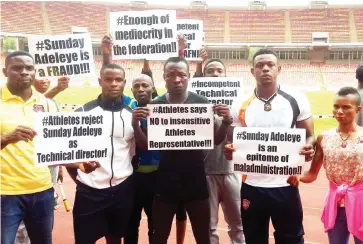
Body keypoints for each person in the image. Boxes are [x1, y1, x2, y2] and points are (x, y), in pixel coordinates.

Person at [133, 56, 232, 244]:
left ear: (188, 77)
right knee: (159, 236)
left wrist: (226, 121)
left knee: (202, 236)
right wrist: (136, 125)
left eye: (181, 75)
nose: (177, 79)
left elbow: (216, 140)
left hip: (195, 178)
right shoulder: (156, 106)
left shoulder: (201, 103)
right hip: (165, 180)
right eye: (171, 75)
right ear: (164, 77)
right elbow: (145, 145)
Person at [102, 34, 189, 244]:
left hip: (159, 177)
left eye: (146, 86)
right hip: (133, 177)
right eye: (137, 86)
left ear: (153, 89)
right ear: (130, 90)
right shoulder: (127, 106)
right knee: (130, 224)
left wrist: (180, 51)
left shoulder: (162, 108)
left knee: (156, 226)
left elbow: (180, 78)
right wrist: (106, 55)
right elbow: (107, 85)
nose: (141, 89)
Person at [224, 48, 315, 244]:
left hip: (286, 183)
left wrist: (308, 148)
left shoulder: (296, 99)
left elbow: (309, 135)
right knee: (255, 239)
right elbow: (233, 141)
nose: (265, 69)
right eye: (259, 65)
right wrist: (230, 149)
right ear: (252, 71)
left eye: (270, 65)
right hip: (252, 185)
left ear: (278, 69)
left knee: (291, 238)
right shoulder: (240, 102)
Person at [65, 63, 143, 244]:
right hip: (89, 191)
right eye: (108, 79)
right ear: (100, 81)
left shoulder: (131, 115)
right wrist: (79, 178)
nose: (113, 84)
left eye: (118, 80)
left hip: (122, 189)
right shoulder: (82, 113)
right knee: (84, 239)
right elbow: (67, 152)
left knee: (115, 238)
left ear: (124, 83)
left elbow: (132, 152)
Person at [288, 87, 363, 244]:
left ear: (358, 109)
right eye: (336, 106)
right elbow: (312, 174)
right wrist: (298, 178)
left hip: (360, 202)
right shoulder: (324, 138)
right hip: (335, 203)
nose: (339, 111)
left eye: (346, 107)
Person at [1, 50, 58, 244]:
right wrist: (7, 138)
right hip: (6, 193)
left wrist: (78, 163)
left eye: (29, 68)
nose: (24, 72)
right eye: (17, 68)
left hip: (42, 190)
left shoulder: (47, 104)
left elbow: (56, 146)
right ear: (5, 71)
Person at [193, 48, 245, 244]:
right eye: (210, 71)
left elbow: (241, 137)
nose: (215, 74)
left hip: (232, 171)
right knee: (209, 227)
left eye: (219, 71)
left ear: (226, 75)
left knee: (239, 224)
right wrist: (198, 63)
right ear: (203, 77)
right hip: (206, 173)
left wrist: (228, 119)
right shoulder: (195, 105)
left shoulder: (239, 104)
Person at [14, 76, 69, 244]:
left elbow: (55, 135)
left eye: (47, 77)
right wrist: (57, 89)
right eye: (40, 76)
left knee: (43, 212)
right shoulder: (17, 102)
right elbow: (32, 109)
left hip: (47, 167)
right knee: (20, 215)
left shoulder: (51, 104)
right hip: (21, 169)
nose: (45, 80)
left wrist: (59, 165)